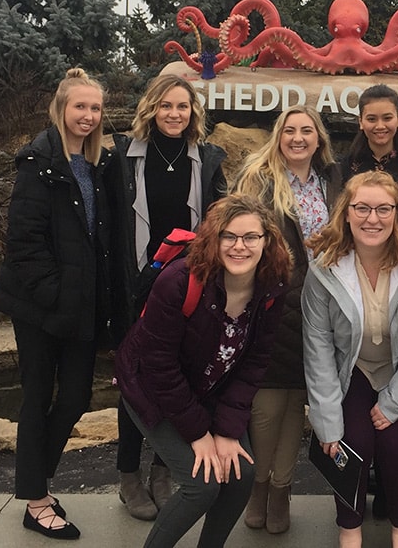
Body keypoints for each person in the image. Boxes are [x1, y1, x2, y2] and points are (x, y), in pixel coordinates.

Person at [0, 68, 128, 539]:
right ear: (61, 108)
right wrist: (56, 298)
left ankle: (35, 482)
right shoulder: (38, 163)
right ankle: (36, 498)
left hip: (80, 308)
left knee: (74, 398)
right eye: (79, 107)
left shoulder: (97, 166)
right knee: (37, 399)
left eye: (95, 109)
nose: (87, 116)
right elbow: (24, 246)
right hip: (39, 308)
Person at [115, 194, 290, 548]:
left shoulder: (271, 286)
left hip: (207, 388)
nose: (239, 246)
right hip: (150, 387)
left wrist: (226, 431)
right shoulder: (179, 281)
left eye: (251, 237)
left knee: (241, 474)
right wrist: (198, 434)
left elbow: (254, 362)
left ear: (266, 240)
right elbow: (159, 365)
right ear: (214, 238)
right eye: (229, 236)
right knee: (201, 486)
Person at [302, 170, 398, 548]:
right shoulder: (324, 263)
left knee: (395, 446)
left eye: (384, 209)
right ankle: (349, 531)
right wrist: (326, 419)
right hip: (350, 369)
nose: (373, 218)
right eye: (362, 208)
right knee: (347, 445)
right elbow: (317, 344)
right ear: (345, 212)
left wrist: (396, 400)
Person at [111, 73, 227, 520]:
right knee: (133, 379)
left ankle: (162, 469)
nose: (174, 114)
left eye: (182, 106)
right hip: (136, 283)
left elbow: (219, 219)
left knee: (181, 375)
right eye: (166, 106)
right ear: (151, 109)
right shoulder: (125, 158)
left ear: (193, 112)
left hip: (186, 284)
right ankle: (127, 475)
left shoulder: (209, 158)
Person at [232, 106, 342, 533]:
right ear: (278, 136)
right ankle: (258, 486)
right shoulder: (258, 181)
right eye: (289, 130)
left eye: (306, 131)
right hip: (273, 303)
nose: (298, 138)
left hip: (323, 305)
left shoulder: (333, 180)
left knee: (297, 402)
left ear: (319, 138)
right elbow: (239, 239)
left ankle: (282, 489)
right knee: (264, 406)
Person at [342, 84, 398, 210]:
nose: (380, 126)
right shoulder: (345, 166)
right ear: (361, 122)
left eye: (387, 118)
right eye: (371, 119)